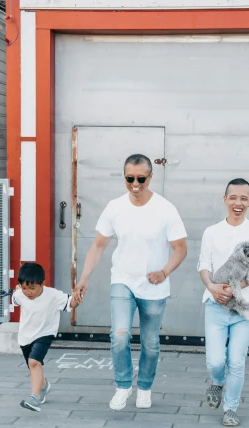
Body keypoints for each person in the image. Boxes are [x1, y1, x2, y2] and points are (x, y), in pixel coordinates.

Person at [73, 154, 187, 411]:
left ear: (150, 176)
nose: (135, 183)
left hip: (154, 287)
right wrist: (84, 278)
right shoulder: (115, 207)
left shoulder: (165, 209)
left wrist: (164, 271)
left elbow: (180, 249)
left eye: (141, 178)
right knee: (120, 336)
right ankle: (123, 385)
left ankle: (144, 387)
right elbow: (99, 245)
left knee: (150, 342)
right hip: (123, 280)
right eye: (129, 178)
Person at [198, 178, 249, 427]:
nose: (238, 203)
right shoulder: (211, 232)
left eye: (244, 198)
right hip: (215, 304)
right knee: (216, 361)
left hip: (244, 306)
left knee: (236, 361)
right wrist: (213, 287)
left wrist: (233, 289)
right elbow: (204, 265)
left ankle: (231, 409)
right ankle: (217, 382)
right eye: (233, 197)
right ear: (225, 199)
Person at [10, 262, 81, 412]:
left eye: (32, 288)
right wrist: (18, 290)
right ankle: (43, 386)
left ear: (42, 284)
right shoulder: (20, 294)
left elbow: (70, 303)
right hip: (25, 337)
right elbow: (15, 299)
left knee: (34, 362)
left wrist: (77, 298)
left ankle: (34, 397)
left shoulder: (53, 295)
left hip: (44, 334)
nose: (28, 292)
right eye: (24, 288)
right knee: (33, 367)